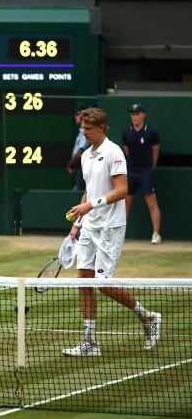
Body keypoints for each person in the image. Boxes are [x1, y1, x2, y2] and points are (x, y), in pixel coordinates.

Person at [63, 108, 161, 357]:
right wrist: (78, 222)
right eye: (82, 127)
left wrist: (90, 205)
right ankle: (90, 342)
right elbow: (89, 190)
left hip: (110, 227)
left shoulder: (113, 152)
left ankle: (148, 317)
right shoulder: (85, 155)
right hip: (89, 225)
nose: (84, 132)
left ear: (102, 128)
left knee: (103, 284)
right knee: (84, 282)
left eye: (88, 128)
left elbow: (121, 190)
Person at [121, 103, 162, 244]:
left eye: (137, 113)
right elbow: (127, 151)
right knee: (125, 202)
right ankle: (121, 235)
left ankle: (156, 234)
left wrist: (151, 168)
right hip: (131, 171)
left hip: (146, 171)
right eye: (132, 114)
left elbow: (155, 151)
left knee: (152, 202)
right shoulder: (126, 133)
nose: (135, 116)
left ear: (143, 115)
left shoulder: (151, 133)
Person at [67, 105, 89, 191]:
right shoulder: (82, 131)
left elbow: (81, 151)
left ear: (82, 115)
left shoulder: (86, 131)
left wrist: (72, 164)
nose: (75, 117)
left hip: (83, 166)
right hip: (79, 166)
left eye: (77, 114)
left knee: (81, 193)